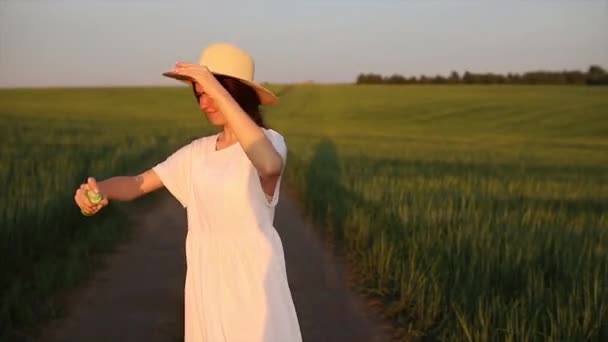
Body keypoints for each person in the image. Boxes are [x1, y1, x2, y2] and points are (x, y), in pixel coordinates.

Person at [74, 42, 303, 342]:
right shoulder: (197, 153)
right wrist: (100, 188)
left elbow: (270, 165)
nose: (204, 102)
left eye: (211, 92)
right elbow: (136, 184)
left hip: (253, 283)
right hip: (205, 280)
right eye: (199, 94)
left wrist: (210, 82)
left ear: (237, 94)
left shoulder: (271, 142)